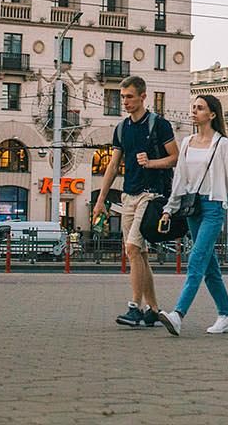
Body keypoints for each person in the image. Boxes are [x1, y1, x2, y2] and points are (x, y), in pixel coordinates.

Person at [91, 75, 179, 329]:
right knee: (138, 253)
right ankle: (153, 310)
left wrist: (151, 162)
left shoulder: (158, 125)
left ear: (143, 96)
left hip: (151, 195)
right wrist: (101, 200)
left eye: (129, 97)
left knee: (132, 248)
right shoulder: (122, 128)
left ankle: (134, 308)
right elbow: (113, 164)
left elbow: (174, 158)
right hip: (128, 195)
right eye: (123, 97)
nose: (125, 102)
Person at [161, 94, 228, 336]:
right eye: (193, 107)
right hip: (192, 208)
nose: (194, 111)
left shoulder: (222, 144)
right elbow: (179, 178)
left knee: (196, 259)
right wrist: (169, 208)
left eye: (200, 108)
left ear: (211, 115)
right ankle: (226, 315)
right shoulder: (187, 142)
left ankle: (178, 315)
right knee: (209, 268)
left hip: (213, 207)